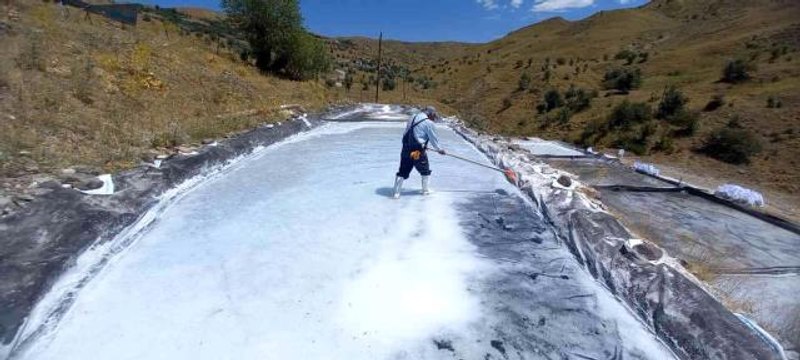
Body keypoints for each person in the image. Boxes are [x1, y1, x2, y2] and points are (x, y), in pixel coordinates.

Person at [392, 106, 446, 199]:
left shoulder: (412, 117)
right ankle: (425, 191)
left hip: (406, 149)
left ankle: (396, 193)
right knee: (425, 170)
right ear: (430, 114)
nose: (434, 118)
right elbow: (433, 139)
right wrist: (439, 150)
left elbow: (410, 133)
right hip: (417, 151)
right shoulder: (428, 123)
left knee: (403, 170)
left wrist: (423, 144)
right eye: (434, 116)